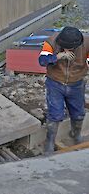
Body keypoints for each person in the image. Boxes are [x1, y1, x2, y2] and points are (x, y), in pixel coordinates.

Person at [39, 26, 89, 155]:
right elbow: (42, 61)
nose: (68, 50)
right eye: (65, 47)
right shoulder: (51, 42)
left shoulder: (86, 44)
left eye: (70, 49)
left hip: (76, 84)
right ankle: (49, 142)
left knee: (78, 113)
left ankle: (75, 134)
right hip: (55, 83)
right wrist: (58, 56)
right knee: (55, 114)